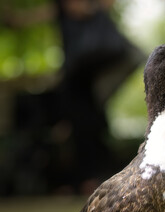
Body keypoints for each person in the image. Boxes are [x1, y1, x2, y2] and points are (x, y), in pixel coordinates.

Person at [3, 0, 145, 195]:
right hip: (77, 74)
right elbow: (29, 18)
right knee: (78, 127)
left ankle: (92, 178)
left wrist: (88, 8)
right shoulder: (59, 10)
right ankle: (84, 179)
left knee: (87, 127)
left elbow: (93, 7)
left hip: (84, 75)